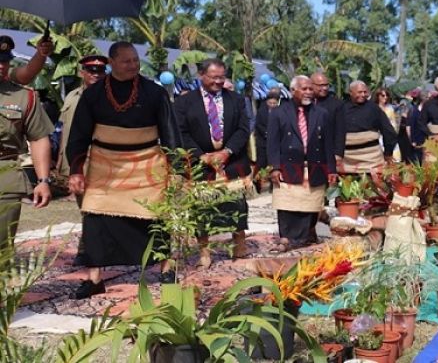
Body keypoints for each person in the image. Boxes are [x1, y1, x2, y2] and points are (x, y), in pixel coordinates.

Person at [66, 42, 181, 299]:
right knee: (94, 217)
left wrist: (177, 169)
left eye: (135, 60)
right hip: (105, 164)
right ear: (112, 62)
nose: (133, 65)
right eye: (126, 61)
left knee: (155, 217)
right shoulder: (93, 95)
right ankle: (95, 278)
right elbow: (78, 135)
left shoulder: (154, 93)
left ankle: (166, 268)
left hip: (146, 163)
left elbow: (170, 132)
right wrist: (76, 169)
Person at [174, 58, 251, 267]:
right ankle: (204, 253)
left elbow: (244, 129)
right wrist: (201, 155)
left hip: (231, 160)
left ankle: (239, 246)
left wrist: (227, 152)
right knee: (203, 210)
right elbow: (181, 132)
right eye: (213, 77)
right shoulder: (184, 102)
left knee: (235, 205)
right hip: (200, 163)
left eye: (222, 77)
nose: (218, 81)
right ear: (201, 75)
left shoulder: (236, 99)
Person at [267, 75, 337, 249]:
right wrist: (274, 167)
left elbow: (328, 144)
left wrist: (332, 169)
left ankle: (302, 237)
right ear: (292, 91)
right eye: (304, 89)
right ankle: (286, 238)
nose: (308, 92)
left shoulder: (322, 114)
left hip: (315, 165)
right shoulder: (278, 113)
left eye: (310, 89)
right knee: (287, 204)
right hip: (287, 165)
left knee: (309, 204)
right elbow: (272, 143)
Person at [0, 37, 53, 251]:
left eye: (5, 61)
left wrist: (43, 180)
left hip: (5, 176)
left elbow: (39, 138)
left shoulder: (24, 97)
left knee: (2, 249)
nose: (2, 66)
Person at [56, 55, 108, 266]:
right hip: (74, 161)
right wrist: (59, 160)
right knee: (85, 206)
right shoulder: (71, 97)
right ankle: (91, 248)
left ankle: (87, 250)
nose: (95, 74)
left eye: (100, 70)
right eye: (90, 70)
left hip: (100, 161)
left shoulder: (110, 97)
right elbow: (63, 131)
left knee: (93, 206)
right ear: (82, 72)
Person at [338, 81, 397, 174]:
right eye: (359, 92)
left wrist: (388, 153)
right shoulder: (341, 108)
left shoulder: (374, 109)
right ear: (350, 92)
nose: (363, 94)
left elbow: (389, 132)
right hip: (348, 162)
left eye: (365, 92)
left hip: (372, 161)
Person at [310, 73, 345, 161]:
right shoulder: (305, 102)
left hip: (327, 151)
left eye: (326, 85)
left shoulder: (336, 104)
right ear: (311, 85)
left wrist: (338, 153)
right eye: (321, 85)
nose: (325, 88)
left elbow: (340, 130)